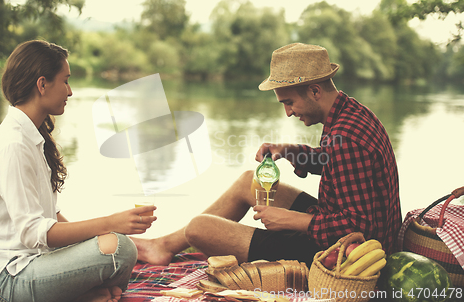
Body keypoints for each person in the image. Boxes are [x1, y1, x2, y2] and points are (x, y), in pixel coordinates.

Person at [132, 42, 401, 267]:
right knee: (249, 180)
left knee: (198, 228)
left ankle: (165, 246)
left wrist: (295, 221)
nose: (288, 112)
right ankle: (163, 247)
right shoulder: (351, 114)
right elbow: (339, 164)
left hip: (340, 256)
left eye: (289, 102)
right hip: (334, 228)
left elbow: (363, 229)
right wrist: (290, 151)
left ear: (315, 91)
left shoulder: (348, 138)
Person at [0, 40, 157, 302]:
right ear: (42, 85)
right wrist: (111, 222)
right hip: (2, 280)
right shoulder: (13, 145)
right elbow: (34, 233)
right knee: (119, 249)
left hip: (30, 264)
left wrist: (108, 231)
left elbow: (50, 217)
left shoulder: (31, 137)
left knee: (118, 244)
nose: (70, 91)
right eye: (65, 81)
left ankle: (85, 295)